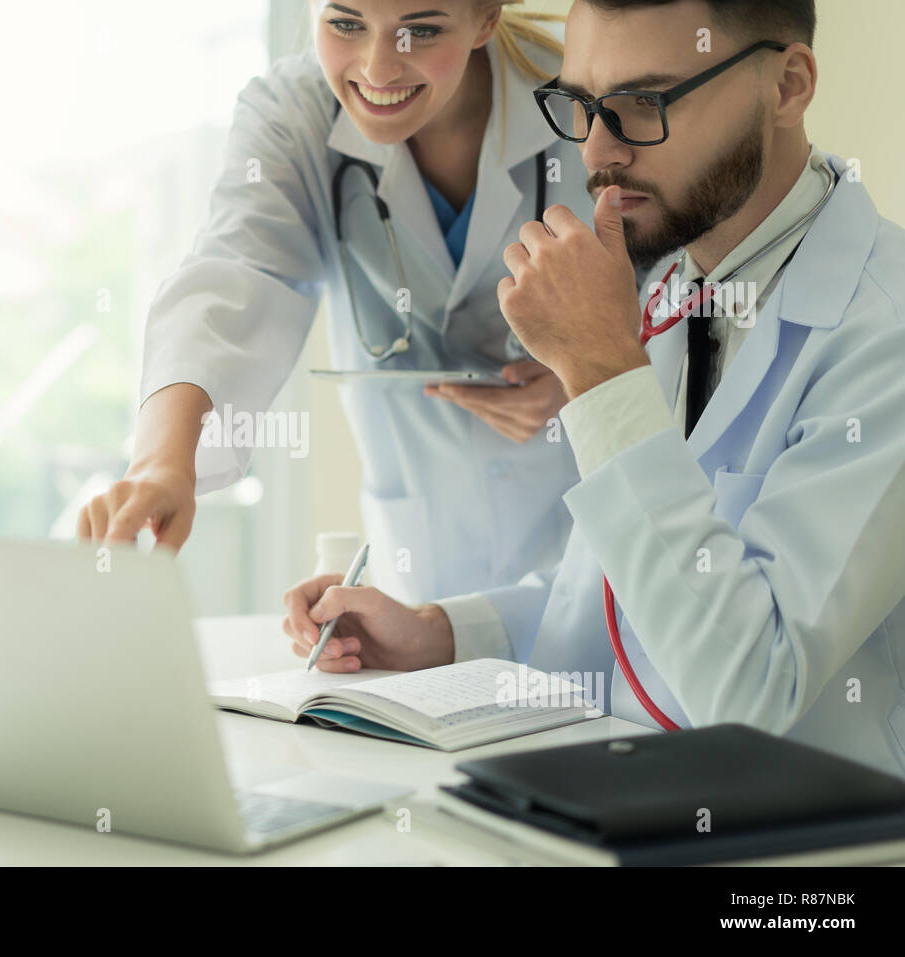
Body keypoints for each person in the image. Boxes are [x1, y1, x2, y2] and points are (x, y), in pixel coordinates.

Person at [282, 0, 905, 777]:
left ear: (787, 86)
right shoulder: (679, 285)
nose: (599, 153)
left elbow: (752, 687)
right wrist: (439, 631)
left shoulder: (885, 333)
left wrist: (600, 367)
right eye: (580, 107)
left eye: (643, 106)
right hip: (622, 803)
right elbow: (618, 600)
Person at [78, 1, 599, 603]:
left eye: (421, 30)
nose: (378, 68)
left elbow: (677, 297)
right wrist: (163, 462)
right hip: (425, 568)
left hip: (595, 551)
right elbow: (237, 269)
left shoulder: (586, 97)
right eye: (346, 24)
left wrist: (583, 376)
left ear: (485, 17)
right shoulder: (292, 113)